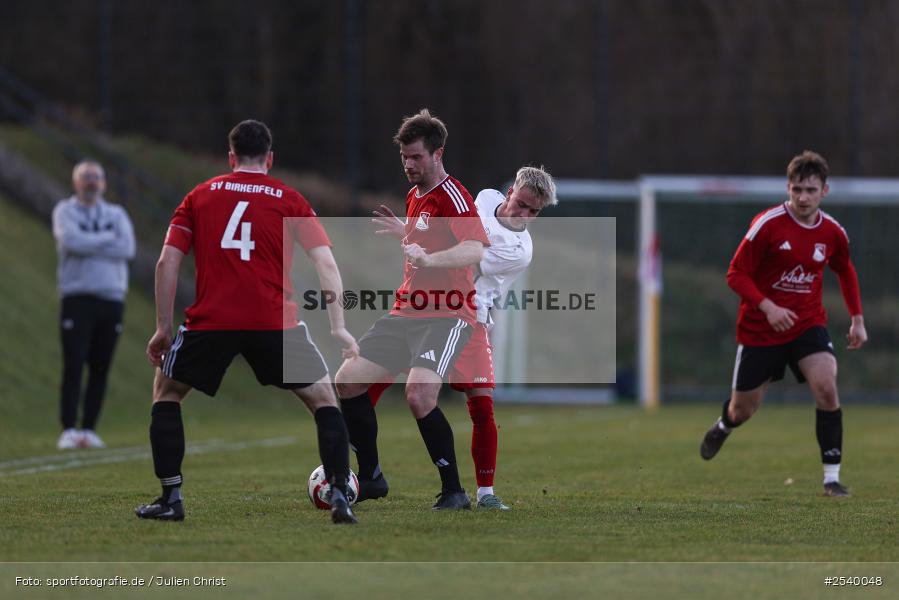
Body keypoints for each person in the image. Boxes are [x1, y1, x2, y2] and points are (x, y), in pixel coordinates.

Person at [136, 120, 359, 524]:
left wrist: (163, 328)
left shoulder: (199, 196)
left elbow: (167, 261)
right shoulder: (290, 199)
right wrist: (338, 324)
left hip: (212, 320)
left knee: (166, 393)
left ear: (230, 157)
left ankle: (171, 497)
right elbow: (325, 262)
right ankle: (340, 495)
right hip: (273, 320)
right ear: (270, 158)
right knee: (324, 400)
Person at [366, 165, 558, 510]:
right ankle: (357, 467)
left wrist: (406, 234)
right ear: (510, 191)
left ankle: (486, 493)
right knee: (371, 383)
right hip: (428, 307)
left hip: (471, 316)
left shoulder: (518, 249)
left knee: (482, 405)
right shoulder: (484, 198)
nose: (524, 215)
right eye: (522, 204)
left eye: (534, 212)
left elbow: (461, 263)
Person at [334, 109, 489, 510]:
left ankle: (454, 491)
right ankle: (370, 478)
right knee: (347, 381)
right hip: (405, 312)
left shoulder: (456, 195)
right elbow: (429, 237)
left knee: (419, 396)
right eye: (404, 157)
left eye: (416, 157)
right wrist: (405, 232)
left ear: (438, 154)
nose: (408, 164)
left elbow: (474, 248)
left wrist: (428, 260)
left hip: (448, 315)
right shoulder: (415, 194)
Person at [700, 150, 867, 497]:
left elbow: (845, 270)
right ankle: (724, 425)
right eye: (796, 190)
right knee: (743, 409)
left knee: (826, 387)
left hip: (807, 325)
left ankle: (831, 479)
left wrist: (857, 319)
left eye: (810, 190)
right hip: (760, 330)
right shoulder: (768, 225)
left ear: (825, 191)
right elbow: (735, 274)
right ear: (788, 189)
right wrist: (768, 307)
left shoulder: (833, 232)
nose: (803, 197)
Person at [52, 160, 135, 450]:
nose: (91, 182)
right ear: (76, 182)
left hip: (111, 298)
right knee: (74, 364)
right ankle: (68, 430)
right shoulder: (65, 211)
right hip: (77, 297)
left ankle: (89, 429)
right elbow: (72, 242)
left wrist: (92, 243)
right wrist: (105, 240)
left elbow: (127, 248)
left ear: (104, 183)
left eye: (96, 177)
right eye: (86, 177)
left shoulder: (116, 214)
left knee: (100, 366)